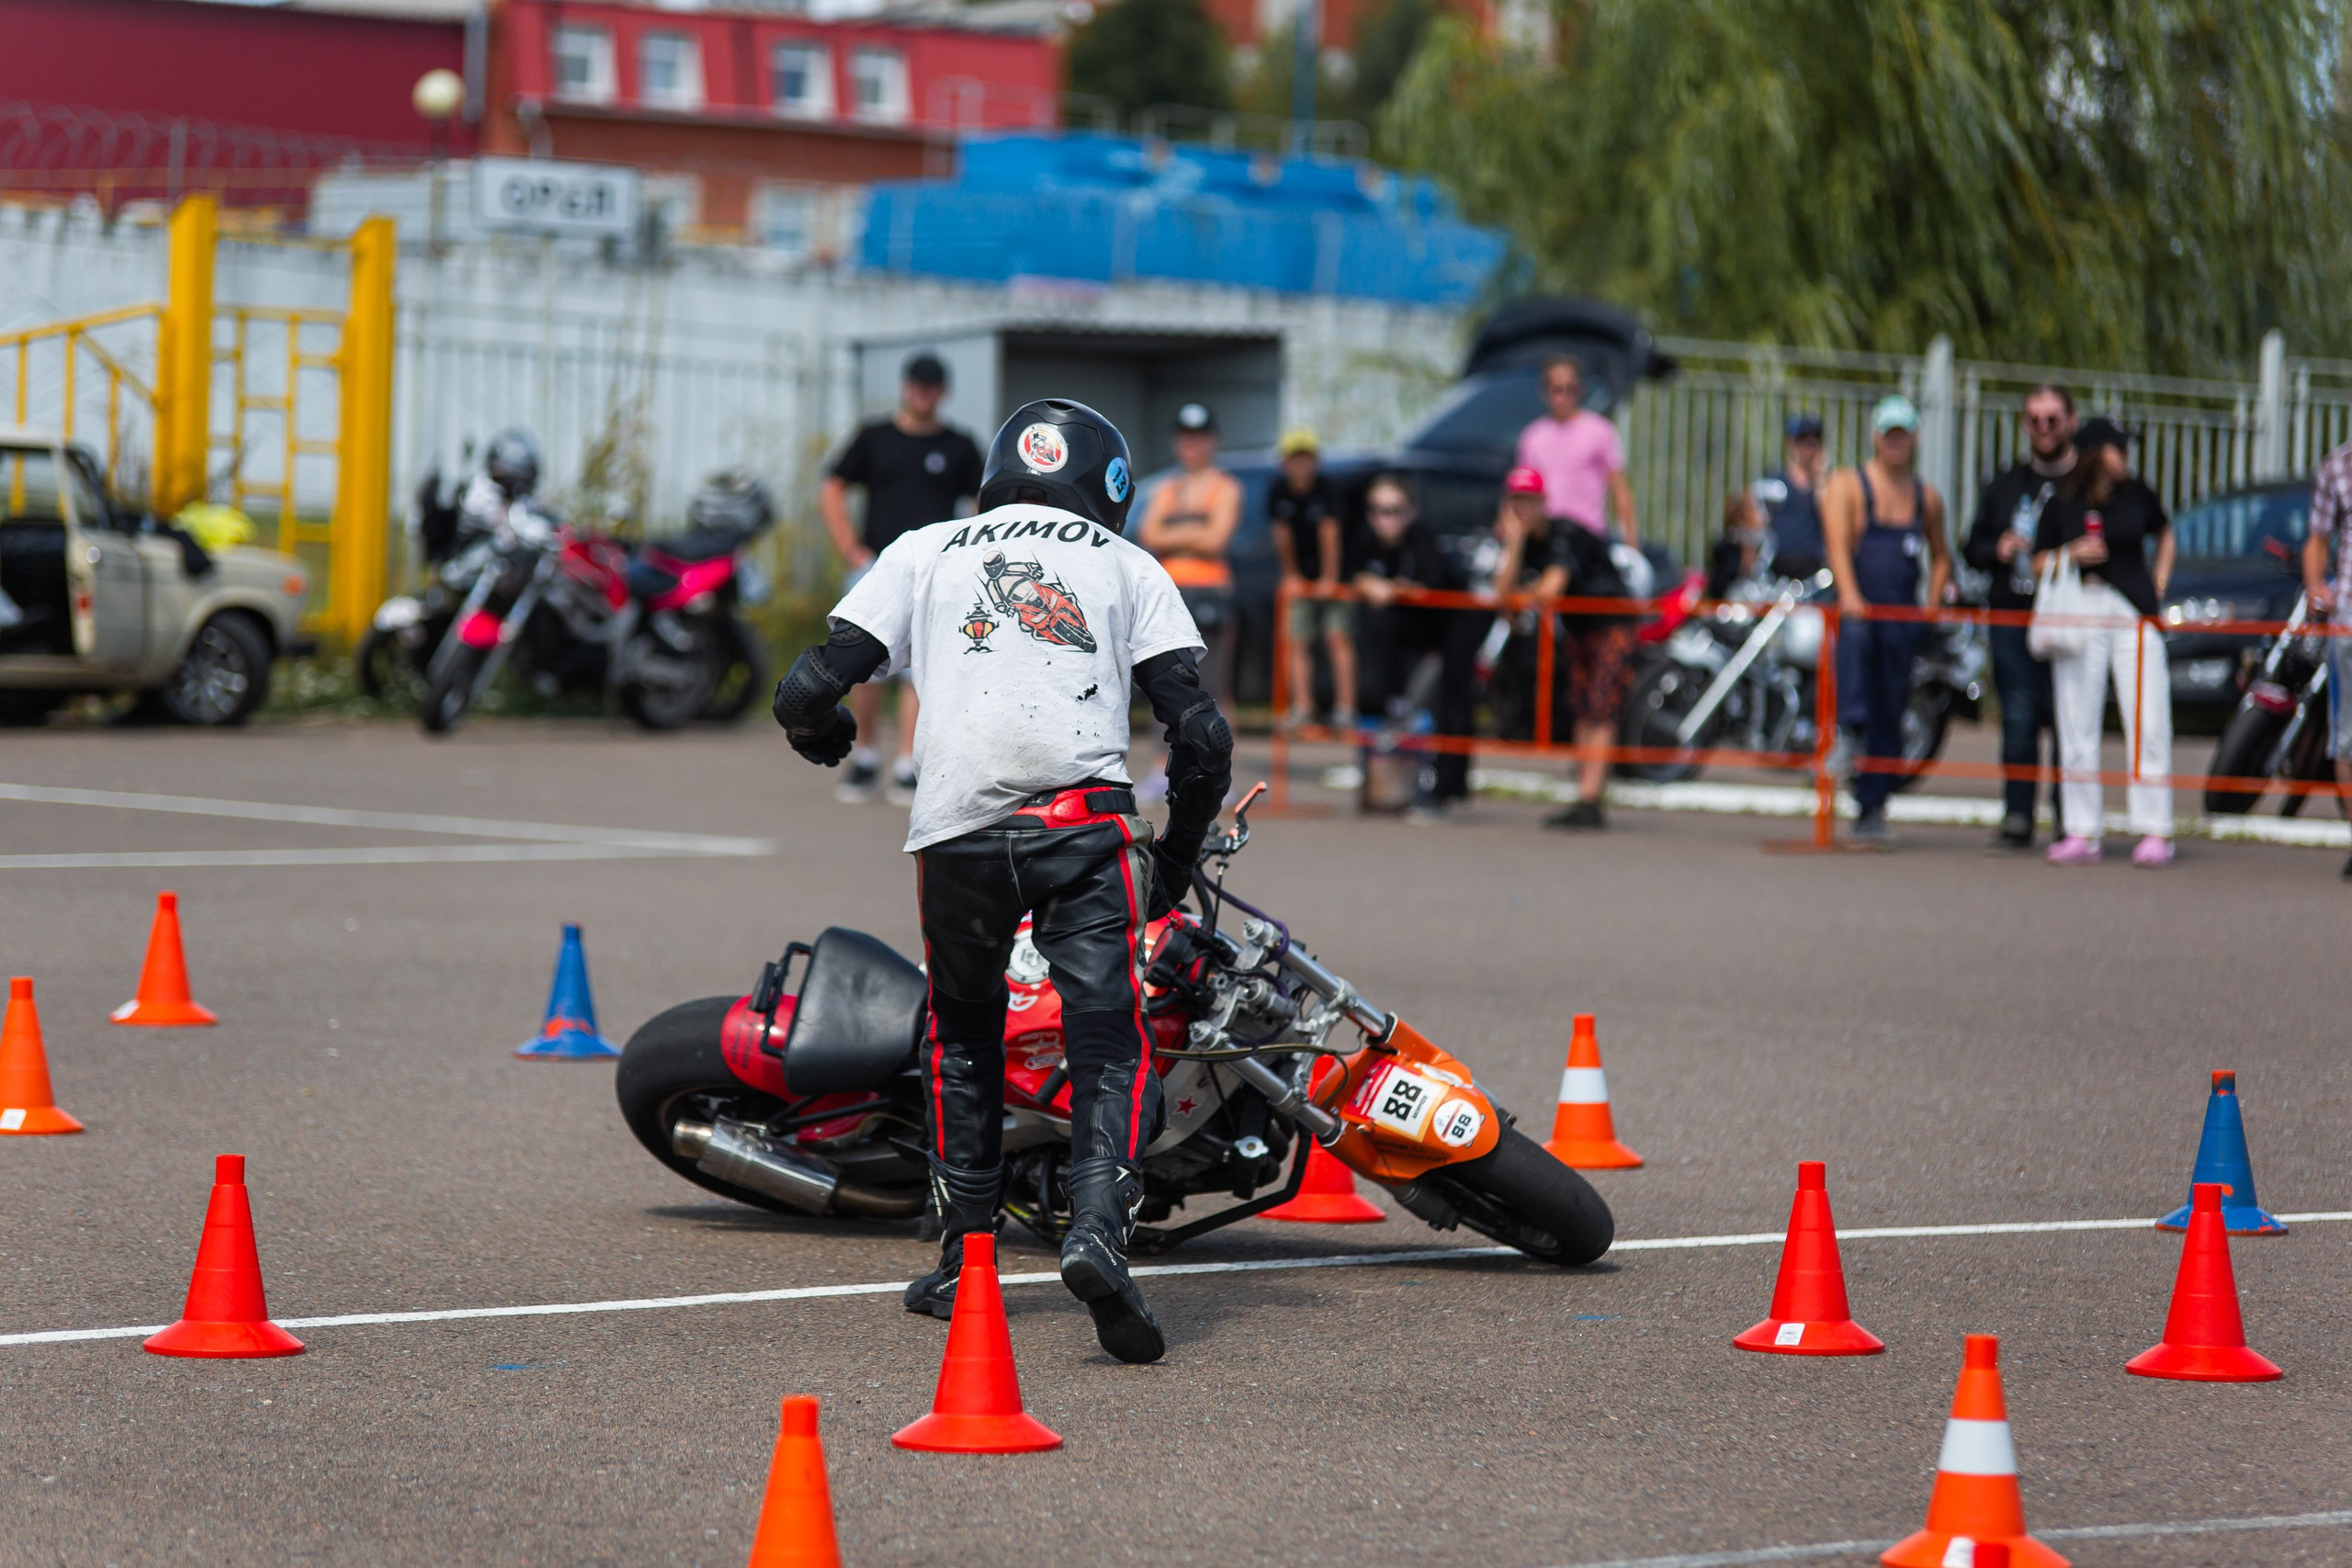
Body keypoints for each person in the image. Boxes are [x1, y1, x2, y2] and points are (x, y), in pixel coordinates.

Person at [771, 399, 1230, 1365]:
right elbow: (1201, 738)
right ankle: (1097, 1232)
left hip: (958, 836)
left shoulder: (924, 548)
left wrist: (827, 735)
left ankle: (963, 1261)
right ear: (1108, 485)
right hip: (1081, 827)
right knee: (1109, 1040)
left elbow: (807, 686)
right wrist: (1179, 858)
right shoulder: (1126, 563)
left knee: (962, 1038)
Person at [820, 351, 985, 807]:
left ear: (942, 393)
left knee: (918, 670)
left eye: (931, 388)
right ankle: (866, 754)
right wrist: (849, 548)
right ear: (904, 387)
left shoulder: (958, 446)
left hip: (934, 572)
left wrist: (970, 556)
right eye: (916, 386)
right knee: (863, 667)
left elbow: (982, 503)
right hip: (876, 568)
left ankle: (907, 763)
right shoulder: (875, 437)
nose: (922, 395)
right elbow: (832, 488)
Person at [2035, 417, 2175, 866]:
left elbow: (2165, 531)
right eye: (2118, 447)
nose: (2126, 456)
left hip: (2134, 611)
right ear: (2096, 451)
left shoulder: (2137, 493)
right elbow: (2037, 561)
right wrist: (2070, 553)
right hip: (2083, 609)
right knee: (2076, 719)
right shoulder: (2062, 501)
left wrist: (2159, 580)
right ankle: (2082, 830)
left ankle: (2155, 828)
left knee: (2149, 718)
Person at [1822, 394, 1951, 848]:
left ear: (1914, 437)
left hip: (1901, 616)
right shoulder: (1849, 485)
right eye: (1888, 433)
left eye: (1902, 434)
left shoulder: (1925, 498)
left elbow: (1941, 557)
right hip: (1860, 611)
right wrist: (1850, 596)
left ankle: (1872, 808)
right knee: (1856, 657)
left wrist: (1930, 607)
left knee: (1891, 712)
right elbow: (1837, 545)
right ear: (1875, 435)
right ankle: (1849, 730)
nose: (1895, 442)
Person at [1963, 384, 2075, 849]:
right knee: (2018, 714)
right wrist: (1998, 547)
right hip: (2013, 617)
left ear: (2070, 422)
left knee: (2070, 716)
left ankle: (2071, 819)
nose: (2043, 429)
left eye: (2052, 420)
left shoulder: (2084, 485)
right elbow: (1971, 548)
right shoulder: (2005, 485)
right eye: (2035, 420)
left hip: (2070, 619)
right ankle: (2017, 815)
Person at [1353, 473, 1479, 821]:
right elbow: (1353, 572)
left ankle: (1447, 789)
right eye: (1378, 511)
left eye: (1394, 510)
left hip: (1453, 622)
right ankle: (1391, 781)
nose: (1386, 519)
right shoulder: (1367, 540)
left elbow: (1431, 584)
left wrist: (1393, 589)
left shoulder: (1422, 538)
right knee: (1385, 679)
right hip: (1414, 629)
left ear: (1410, 511)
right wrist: (1367, 582)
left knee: (1455, 702)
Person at [1136, 401, 1242, 709]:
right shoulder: (1166, 487)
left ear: (1213, 441)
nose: (1190, 445)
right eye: (1185, 438)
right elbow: (1149, 534)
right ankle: (1165, 744)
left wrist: (1172, 535)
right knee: (1166, 683)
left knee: (1213, 686)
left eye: (1198, 437)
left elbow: (1216, 541)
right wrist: (1199, 529)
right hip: (1169, 593)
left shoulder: (1226, 487)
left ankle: (1221, 741)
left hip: (1210, 593)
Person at [1268, 428, 1356, 727]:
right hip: (1302, 576)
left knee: (1337, 636)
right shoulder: (1279, 490)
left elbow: (1330, 533)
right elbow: (1281, 534)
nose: (1301, 465)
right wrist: (1291, 575)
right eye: (1295, 458)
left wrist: (1330, 578)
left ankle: (1345, 709)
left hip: (1337, 574)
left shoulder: (1328, 488)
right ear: (1284, 462)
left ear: (1316, 460)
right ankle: (1303, 708)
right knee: (1297, 639)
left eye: (1306, 458)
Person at [1516, 357, 1641, 550]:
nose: (1564, 396)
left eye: (1570, 389)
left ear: (1580, 390)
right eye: (1557, 389)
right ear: (1545, 391)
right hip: (1546, 538)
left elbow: (1620, 488)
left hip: (1588, 537)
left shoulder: (1601, 430)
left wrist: (1631, 542)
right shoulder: (1533, 437)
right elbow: (1522, 493)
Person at [2301, 435, 2352, 879]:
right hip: (2349, 619)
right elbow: (2318, 538)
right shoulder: (2338, 466)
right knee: (2347, 737)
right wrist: (2316, 586)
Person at [1753, 413, 1827, 578]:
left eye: (1815, 441)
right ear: (1791, 443)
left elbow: (1830, 522)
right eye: (1803, 440)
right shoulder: (1775, 479)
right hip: (1779, 568)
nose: (1810, 448)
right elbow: (1758, 522)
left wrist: (1820, 481)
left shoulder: (1825, 482)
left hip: (1815, 569)